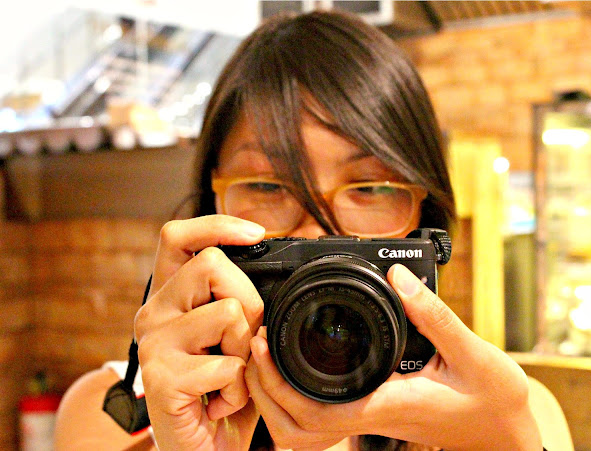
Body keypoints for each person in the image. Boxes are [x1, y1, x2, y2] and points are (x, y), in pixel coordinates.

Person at [55, 9, 544, 451]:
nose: (315, 234)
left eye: (371, 188)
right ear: (210, 211)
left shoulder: (502, 414)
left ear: (427, 229)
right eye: (267, 186)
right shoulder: (113, 422)